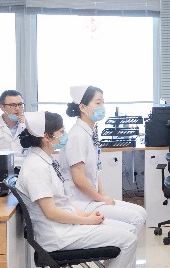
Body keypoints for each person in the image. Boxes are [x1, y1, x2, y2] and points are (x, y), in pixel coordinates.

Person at [18, 111, 138, 268]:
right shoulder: (36, 169)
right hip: (57, 235)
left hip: (65, 225)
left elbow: (62, 201)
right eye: (61, 131)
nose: (64, 135)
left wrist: (86, 215)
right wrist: (88, 221)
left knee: (130, 230)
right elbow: (52, 213)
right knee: (129, 240)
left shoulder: (45, 160)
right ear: (46, 137)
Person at [62, 84, 148, 231]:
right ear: (82, 107)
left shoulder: (90, 132)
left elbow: (94, 172)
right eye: (98, 103)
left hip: (92, 197)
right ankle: (123, 245)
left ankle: (124, 244)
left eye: (103, 102)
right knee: (136, 218)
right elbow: (79, 179)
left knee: (141, 212)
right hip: (80, 202)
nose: (102, 107)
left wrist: (103, 196)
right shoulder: (77, 136)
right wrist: (101, 199)